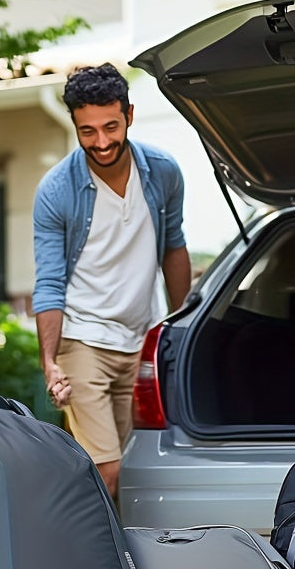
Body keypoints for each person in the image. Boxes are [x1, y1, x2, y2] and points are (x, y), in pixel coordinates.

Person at [32, 63, 191, 501]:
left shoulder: (161, 173)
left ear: (130, 115)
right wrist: (50, 361)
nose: (101, 143)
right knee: (107, 470)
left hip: (140, 341)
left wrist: (179, 329)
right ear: (75, 125)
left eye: (110, 127)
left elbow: (174, 249)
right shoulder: (56, 191)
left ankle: (128, 560)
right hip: (83, 341)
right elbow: (48, 281)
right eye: (88, 131)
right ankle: (96, 567)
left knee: (131, 472)